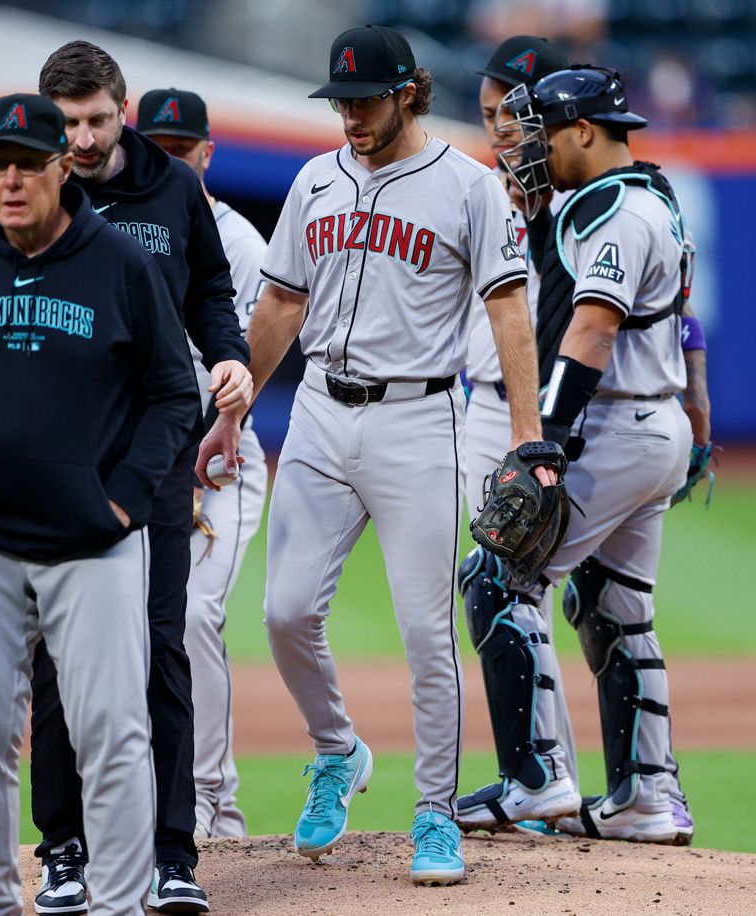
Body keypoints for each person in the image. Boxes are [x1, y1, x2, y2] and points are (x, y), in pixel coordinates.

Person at [198, 24, 554, 886]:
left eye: (364, 100)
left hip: (417, 419)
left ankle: (435, 811)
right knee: (284, 614)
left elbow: (509, 312)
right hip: (320, 411)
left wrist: (524, 434)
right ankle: (338, 750)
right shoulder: (316, 179)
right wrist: (234, 414)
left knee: (428, 633)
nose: (350, 116)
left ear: (407, 93)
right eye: (341, 101)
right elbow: (281, 305)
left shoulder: (469, 187)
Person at [0, 94, 199, 916]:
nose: (10, 179)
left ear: (63, 166)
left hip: (94, 543)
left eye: (27, 163)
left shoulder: (120, 263)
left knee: (113, 735)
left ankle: (120, 904)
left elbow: (171, 396)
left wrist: (125, 499)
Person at [455, 66, 704, 845]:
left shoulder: (619, 216)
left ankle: (537, 778)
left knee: (496, 576)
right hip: (654, 423)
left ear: (585, 132)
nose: (534, 146)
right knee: (614, 605)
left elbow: (591, 331)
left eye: (546, 133)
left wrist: (545, 443)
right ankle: (647, 797)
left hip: (617, 430)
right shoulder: (653, 196)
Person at [30, 43, 250, 915]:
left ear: (122, 108)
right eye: (68, 123)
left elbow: (211, 292)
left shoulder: (173, 189)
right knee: (58, 658)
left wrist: (229, 359)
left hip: (158, 450)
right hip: (58, 458)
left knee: (163, 647)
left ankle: (172, 853)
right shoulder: (32, 192)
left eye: (95, 119)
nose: (81, 139)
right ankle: (64, 849)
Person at [136, 86, 268, 840]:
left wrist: (205, 439)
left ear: (207, 155)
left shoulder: (241, 244)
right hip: (140, 461)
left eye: (181, 150)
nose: (169, 162)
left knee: (189, 616)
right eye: (156, 148)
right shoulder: (116, 227)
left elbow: (239, 364)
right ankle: (140, 805)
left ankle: (215, 802)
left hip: (220, 461)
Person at [463, 34, 582, 838]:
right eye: (488, 114)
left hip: (526, 415)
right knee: (507, 595)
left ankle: (544, 779)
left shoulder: (577, 201)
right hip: (471, 406)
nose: (497, 128)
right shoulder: (478, 190)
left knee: (508, 588)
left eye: (509, 112)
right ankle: (549, 778)